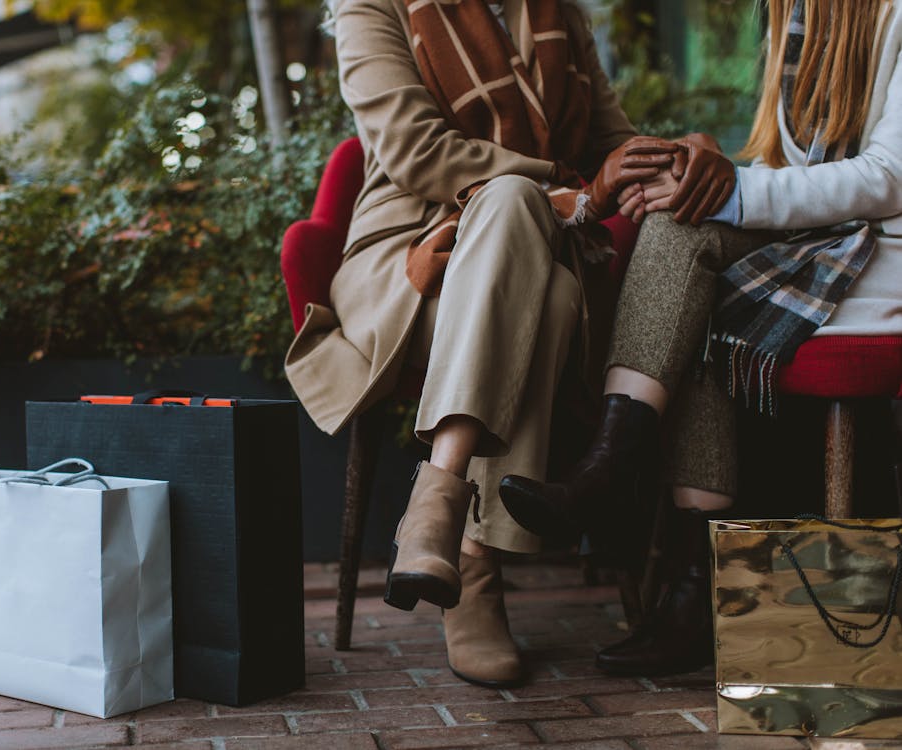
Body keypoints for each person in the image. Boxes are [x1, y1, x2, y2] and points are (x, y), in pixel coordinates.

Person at [500, 0, 902, 676]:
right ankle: (622, 485)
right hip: (831, 239)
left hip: (884, 255)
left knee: (696, 271)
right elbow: (793, 167)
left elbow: (887, 178)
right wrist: (698, 171)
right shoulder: (799, 15)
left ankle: (646, 528)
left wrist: (733, 192)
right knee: (675, 222)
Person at [287, 0, 681, 688]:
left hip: (540, 259)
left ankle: (438, 517)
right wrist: (571, 197)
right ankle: (473, 564)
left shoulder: (556, 10)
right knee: (521, 236)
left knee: (541, 277)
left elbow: (611, 143)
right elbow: (414, 148)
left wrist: (678, 158)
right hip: (412, 261)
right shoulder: (370, 6)